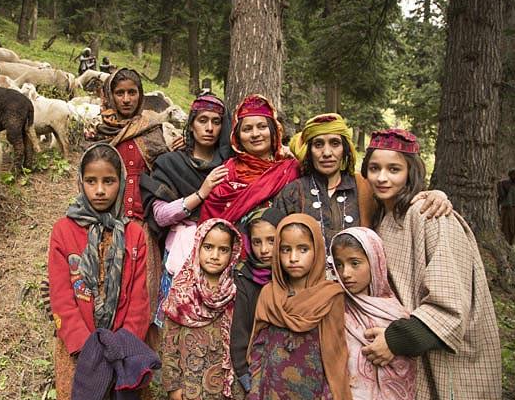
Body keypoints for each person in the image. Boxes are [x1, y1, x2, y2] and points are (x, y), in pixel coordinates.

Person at [360, 129, 502, 400]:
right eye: (374, 168)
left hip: (444, 359)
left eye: (394, 169)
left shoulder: (430, 215)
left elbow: (449, 305)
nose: (382, 178)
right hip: (407, 358)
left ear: (411, 172)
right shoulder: (383, 214)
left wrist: (395, 340)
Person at [47, 143, 150, 400]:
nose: (100, 190)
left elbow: (139, 299)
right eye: (91, 181)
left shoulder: (134, 234)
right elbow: (61, 295)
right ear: (80, 182)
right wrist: (86, 347)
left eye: (109, 181)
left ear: (122, 183)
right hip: (78, 350)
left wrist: (121, 346)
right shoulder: (64, 231)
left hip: (121, 349)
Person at [275, 113, 453, 250]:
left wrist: (437, 195)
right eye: (319, 144)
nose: (327, 153)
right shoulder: (292, 192)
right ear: (309, 151)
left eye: (335, 143)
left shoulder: (367, 187)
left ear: (345, 150)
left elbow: (400, 204)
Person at [89, 68, 170, 347]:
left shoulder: (151, 129)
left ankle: (140, 350)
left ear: (141, 95)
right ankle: (107, 346)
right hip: (109, 224)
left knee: (143, 289)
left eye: (132, 92)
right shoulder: (100, 131)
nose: (126, 99)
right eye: (119, 93)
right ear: (110, 95)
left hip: (144, 224)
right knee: (111, 286)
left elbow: (164, 171)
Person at [245, 214, 353, 400]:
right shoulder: (269, 294)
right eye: (286, 250)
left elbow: (335, 360)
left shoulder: (330, 296)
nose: (293, 258)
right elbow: (258, 351)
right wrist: (254, 399)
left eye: (303, 249)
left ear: (318, 251)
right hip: (272, 398)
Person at [140, 94, 232, 327]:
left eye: (216, 121)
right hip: (180, 258)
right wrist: (201, 193)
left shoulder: (231, 165)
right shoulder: (171, 163)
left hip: (221, 259)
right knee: (174, 328)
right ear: (191, 124)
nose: (209, 128)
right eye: (202, 120)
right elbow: (160, 216)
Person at [330, 227, 416, 400]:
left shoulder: (395, 312)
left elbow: (408, 369)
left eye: (355, 263)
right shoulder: (335, 305)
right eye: (339, 265)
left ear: (376, 262)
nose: (345, 273)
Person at [161, 218, 243, 400]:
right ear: (198, 246)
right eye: (208, 247)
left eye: (223, 249)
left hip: (222, 386)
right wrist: (173, 385)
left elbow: (241, 343)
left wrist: (236, 388)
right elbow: (169, 342)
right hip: (188, 385)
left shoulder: (236, 291)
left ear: (232, 252)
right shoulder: (182, 292)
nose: (214, 256)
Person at [199, 94, 301, 224]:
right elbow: (210, 222)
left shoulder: (291, 169)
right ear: (237, 137)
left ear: (274, 130)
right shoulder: (226, 172)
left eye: (262, 127)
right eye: (247, 129)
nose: (255, 134)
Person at [228, 207, 285, 400]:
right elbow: (239, 330)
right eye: (257, 242)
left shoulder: (293, 274)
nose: (264, 250)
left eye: (272, 240)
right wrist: (245, 377)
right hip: (253, 369)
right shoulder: (243, 276)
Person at [497, 169, 515, 244]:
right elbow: (501, 197)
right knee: (507, 229)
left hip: (510, 209)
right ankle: (508, 244)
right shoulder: (504, 184)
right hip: (508, 210)